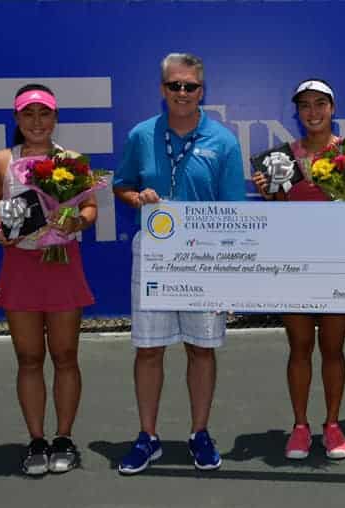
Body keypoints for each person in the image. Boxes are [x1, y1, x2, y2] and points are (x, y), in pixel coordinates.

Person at [112, 53, 246, 474]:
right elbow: (122, 186)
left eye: (190, 86)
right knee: (149, 349)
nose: (183, 93)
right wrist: (139, 199)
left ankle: (199, 433)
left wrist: (230, 269)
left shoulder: (222, 140)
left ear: (202, 91)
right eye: (175, 86)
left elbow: (233, 209)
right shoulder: (140, 135)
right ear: (162, 89)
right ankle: (147, 436)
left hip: (205, 256)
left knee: (201, 350)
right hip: (153, 253)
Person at [0, 84, 97, 476]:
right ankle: (36, 440)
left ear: (55, 118)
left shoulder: (74, 160)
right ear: (16, 119)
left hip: (64, 263)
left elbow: (90, 206)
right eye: (28, 114)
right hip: (20, 266)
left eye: (43, 113)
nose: (36, 122)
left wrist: (78, 220)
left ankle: (63, 437)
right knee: (28, 358)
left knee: (65, 356)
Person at [252, 78, 345, 460]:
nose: (313, 112)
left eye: (320, 104)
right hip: (293, 264)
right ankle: (299, 426)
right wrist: (268, 191)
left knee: (333, 348)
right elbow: (278, 207)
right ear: (297, 112)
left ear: (332, 108)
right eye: (305, 105)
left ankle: (333, 424)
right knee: (300, 346)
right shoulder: (282, 157)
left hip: (339, 264)